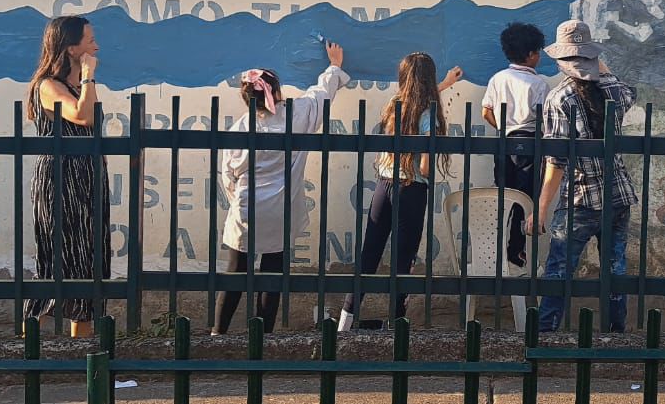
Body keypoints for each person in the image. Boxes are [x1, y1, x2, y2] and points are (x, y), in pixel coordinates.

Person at [212, 40, 350, 336]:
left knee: (236, 273)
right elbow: (320, 96)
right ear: (275, 91)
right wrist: (334, 65)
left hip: (247, 210)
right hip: (281, 211)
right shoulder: (296, 115)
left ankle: (217, 334)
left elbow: (228, 175)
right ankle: (262, 337)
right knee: (273, 274)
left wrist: (237, 201)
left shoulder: (242, 127)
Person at [338, 52, 463, 331]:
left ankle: (344, 324)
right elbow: (426, 167)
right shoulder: (429, 113)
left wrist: (445, 84)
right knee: (402, 261)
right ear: (428, 79)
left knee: (368, 255)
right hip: (412, 189)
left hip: (384, 185)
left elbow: (416, 102)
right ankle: (396, 325)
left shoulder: (394, 105)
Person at [527, 20, 638, 333]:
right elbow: (630, 92)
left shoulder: (559, 99)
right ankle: (616, 333)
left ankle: (546, 333)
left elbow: (556, 163)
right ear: (591, 57)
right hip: (618, 195)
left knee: (559, 270)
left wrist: (541, 209)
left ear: (561, 61)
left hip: (580, 199)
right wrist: (600, 67)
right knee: (615, 267)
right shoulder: (613, 90)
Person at [22, 15, 111, 338]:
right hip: (60, 179)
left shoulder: (76, 86)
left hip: (87, 176)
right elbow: (83, 116)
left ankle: (81, 345)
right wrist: (89, 76)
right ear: (71, 47)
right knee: (57, 257)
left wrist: (85, 80)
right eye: (89, 40)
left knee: (89, 258)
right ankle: (29, 342)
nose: (96, 46)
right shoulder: (48, 86)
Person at [480, 22, 549, 268]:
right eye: (538, 52)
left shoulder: (498, 78)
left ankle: (489, 250)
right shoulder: (540, 84)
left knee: (503, 196)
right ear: (531, 55)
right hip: (529, 145)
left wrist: (501, 126)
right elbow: (543, 123)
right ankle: (515, 249)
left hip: (504, 143)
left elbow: (485, 111)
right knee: (524, 199)